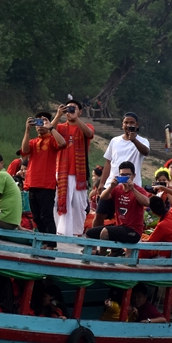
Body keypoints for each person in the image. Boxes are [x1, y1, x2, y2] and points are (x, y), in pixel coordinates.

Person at [94, 112, 150, 227]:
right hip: (113, 184)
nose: (128, 125)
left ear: (137, 125)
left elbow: (146, 152)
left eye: (131, 123)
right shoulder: (115, 141)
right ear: (122, 125)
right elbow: (108, 162)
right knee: (100, 214)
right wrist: (102, 183)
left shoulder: (142, 141)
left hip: (131, 186)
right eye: (126, 122)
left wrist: (133, 139)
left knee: (129, 218)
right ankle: (93, 244)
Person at [20, 112, 66, 246]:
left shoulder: (52, 139)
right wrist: (27, 130)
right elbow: (24, 150)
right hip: (32, 184)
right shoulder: (33, 141)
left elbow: (62, 143)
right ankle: (44, 242)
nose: (40, 125)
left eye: (43, 121)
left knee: (46, 216)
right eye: (38, 122)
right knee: (36, 217)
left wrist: (51, 127)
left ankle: (52, 245)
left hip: (47, 185)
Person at [53, 98, 95, 238]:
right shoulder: (60, 126)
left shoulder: (85, 126)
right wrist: (58, 116)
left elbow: (89, 134)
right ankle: (60, 231)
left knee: (78, 204)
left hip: (79, 174)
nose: (70, 111)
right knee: (60, 201)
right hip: (62, 170)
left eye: (73, 109)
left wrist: (76, 119)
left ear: (80, 111)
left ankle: (76, 232)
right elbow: (49, 132)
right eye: (68, 109)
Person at [85, 162, 149, 246]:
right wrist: (111, 186)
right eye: (122, 175)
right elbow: (103, 197)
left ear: (134, 176)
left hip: (133, 230)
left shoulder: (138, 190)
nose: (125, 178)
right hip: (119, 227)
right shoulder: (117, 189)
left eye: (127, 175)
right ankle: (92, 251)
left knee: (105, 232)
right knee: (90, 232)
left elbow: (146, 202)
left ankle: (101, 255)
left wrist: (132, 189)